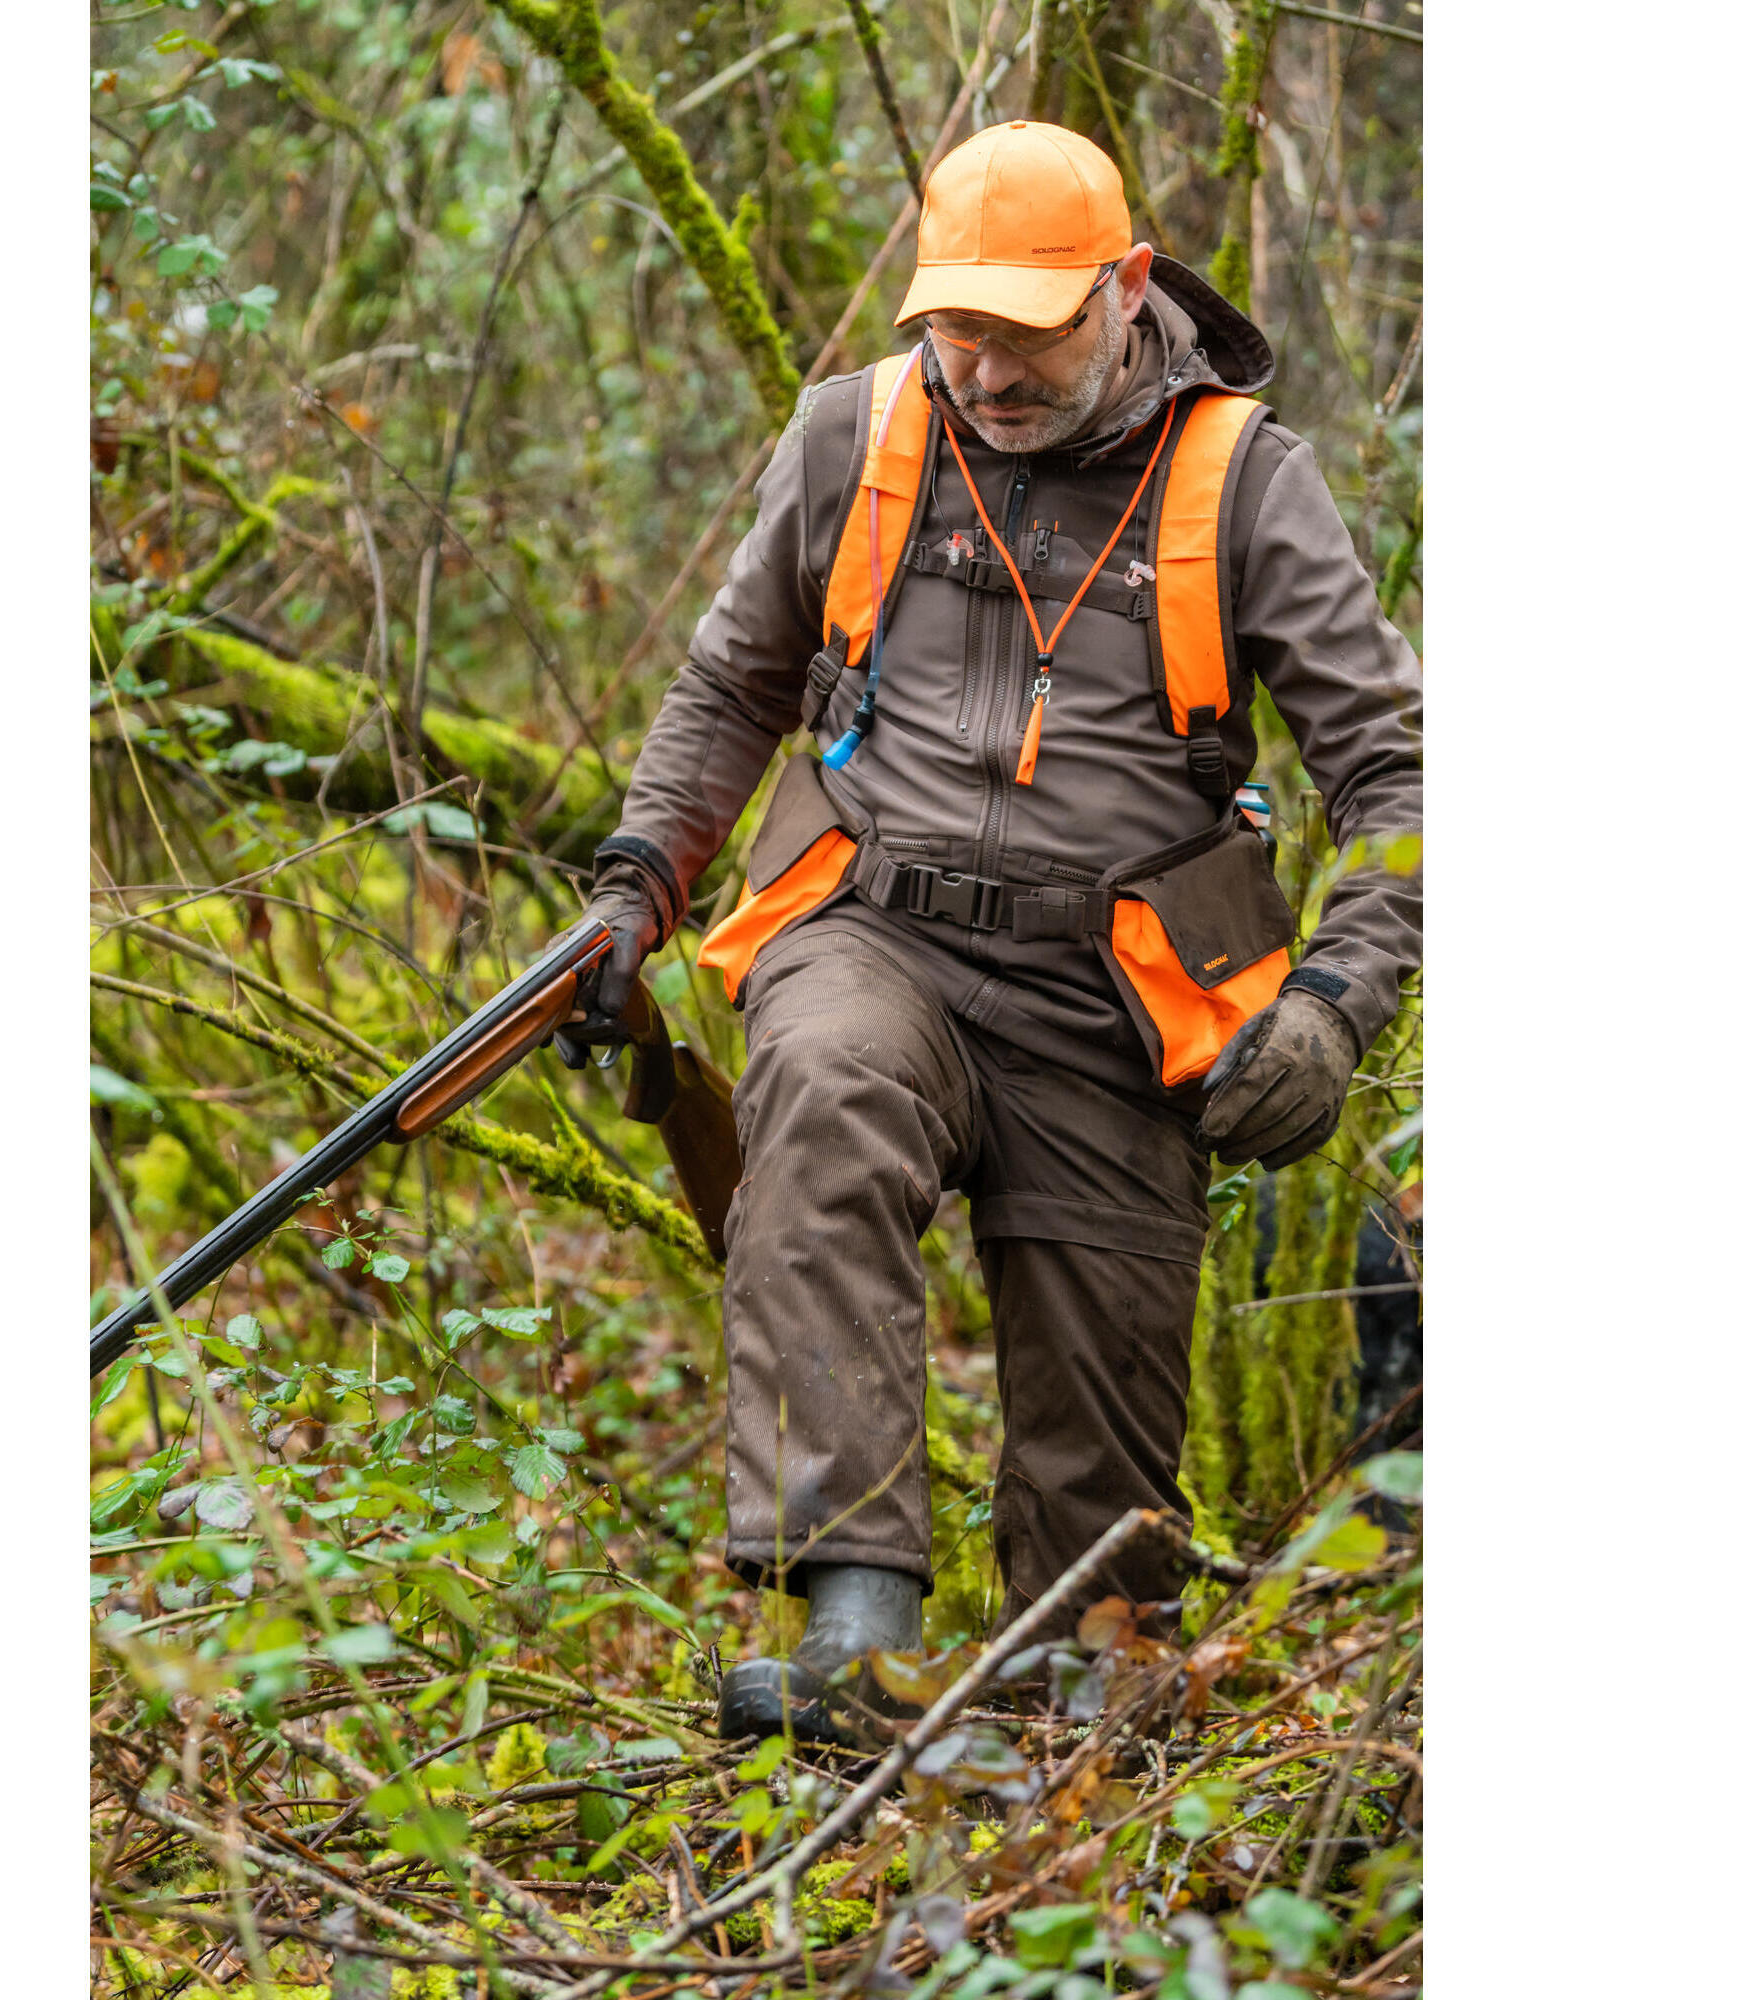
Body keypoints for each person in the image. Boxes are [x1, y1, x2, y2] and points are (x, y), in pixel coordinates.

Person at [560, 121, 1422, 1739]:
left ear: (1127, 289)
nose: (987, 368)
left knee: (1101, 1545)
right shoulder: (853, 438)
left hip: (1119, 996)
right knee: (824, 1091)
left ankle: (1052, 1762)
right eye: (957, 328)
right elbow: (731, 686)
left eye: (1026, 333)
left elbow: (1401, 772)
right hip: (867, 925)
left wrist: (1335, 1003)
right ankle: (856, 1633)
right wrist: (637, 882)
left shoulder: (1249, 482)